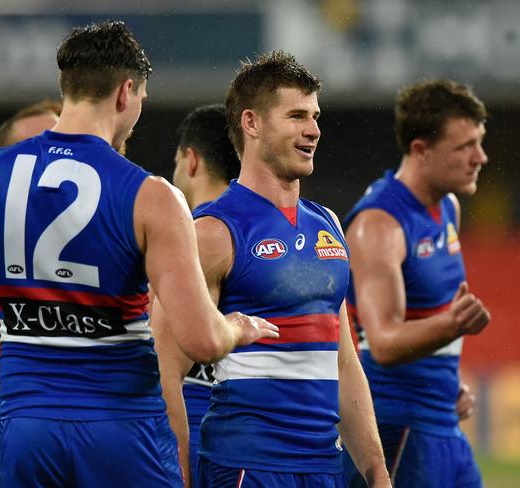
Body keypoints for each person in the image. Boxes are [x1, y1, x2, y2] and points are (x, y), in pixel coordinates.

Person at [0, 20, 277, 488]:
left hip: (29, 431)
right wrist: (239, 326)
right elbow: (202, 341)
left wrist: (34, 314)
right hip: (123, 433)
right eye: (143, 98)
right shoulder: (152, 196)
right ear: (126, 92)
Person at [153, 50, 390, 488]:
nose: (313, 130)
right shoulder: (212, 232)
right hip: (247, 468)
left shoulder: (329, 225)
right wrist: (178, 476)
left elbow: (343, 362)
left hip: (323, 468)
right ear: (252, 123)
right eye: (297, 115)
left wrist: (376, 471)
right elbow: (164, 370)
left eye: (315, 116)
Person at [341, 80, 490, 488]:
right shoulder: (379, 225)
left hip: (442, 423)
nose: (480, 157)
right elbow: (385, 343)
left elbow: (425, 320)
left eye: (479, 142)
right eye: (465, 147)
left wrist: (447, 384)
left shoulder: (448, 207)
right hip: (398, 429)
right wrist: (453, 324)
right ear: (421, 150)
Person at [0, 100, 62, 488]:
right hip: (10, 407)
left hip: (80, 416)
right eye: (30, 145)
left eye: (53, 140)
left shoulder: (93, 219)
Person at [170, 103, 241, 485]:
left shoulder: (189, 238)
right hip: (256, 432)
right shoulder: (264, 230)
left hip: (196, 422)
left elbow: (164, 364)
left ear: (191, 160)